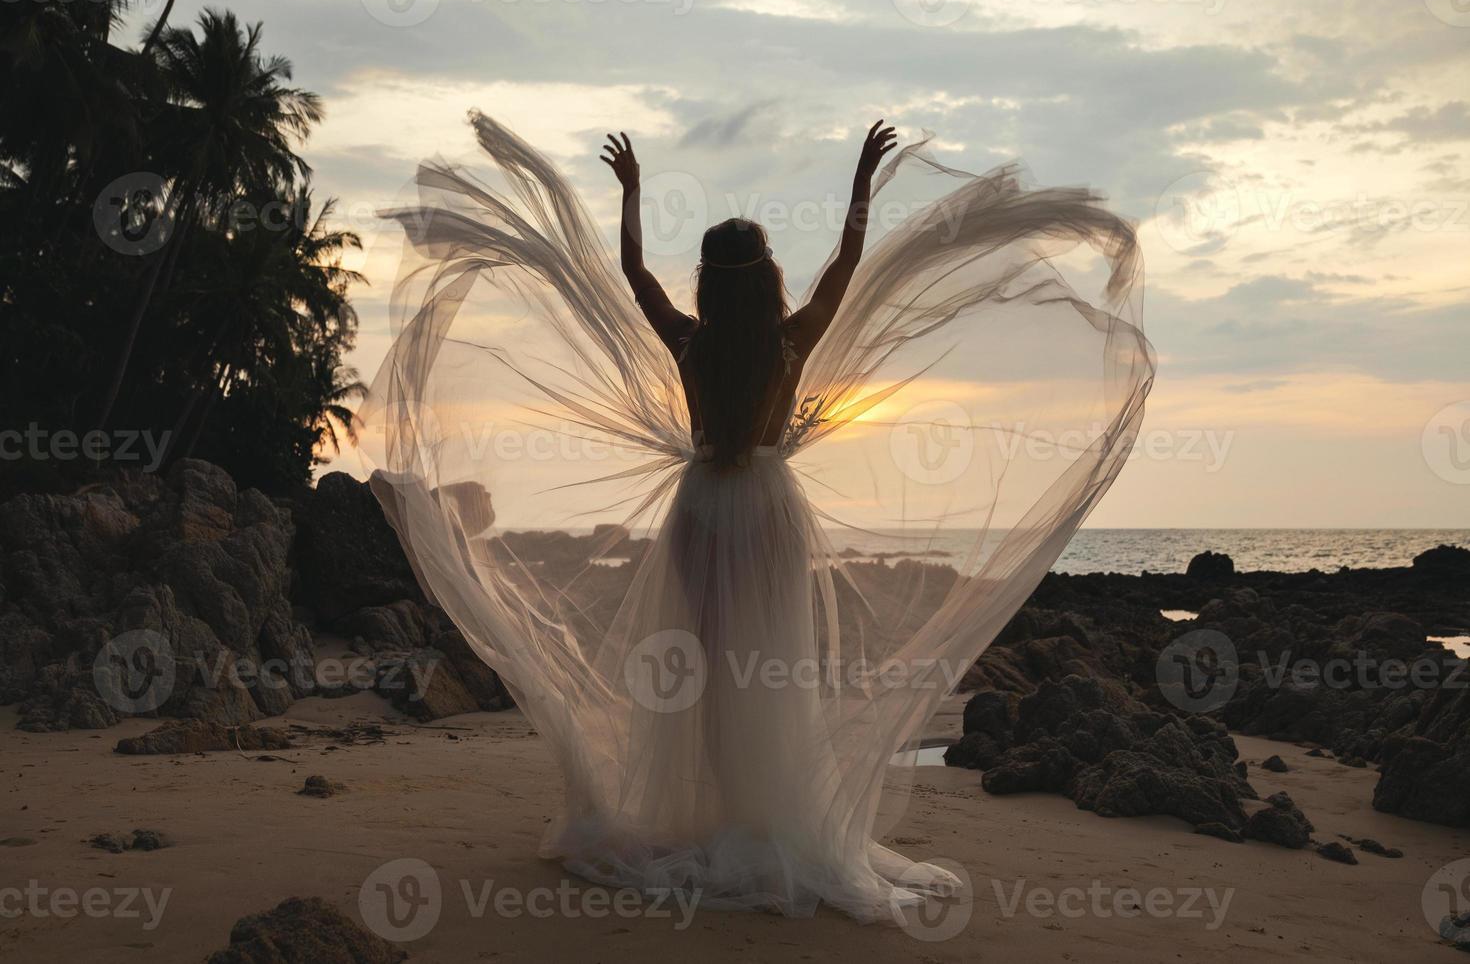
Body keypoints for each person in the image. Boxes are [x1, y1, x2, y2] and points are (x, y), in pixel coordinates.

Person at [361, 111, 1153, 922]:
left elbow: (632, 271)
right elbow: (848, 262)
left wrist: (631, 190)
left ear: (708, 279)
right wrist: (859, 182)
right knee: (773, 667)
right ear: (769, 275)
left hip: (703, 509)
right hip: (770, 514)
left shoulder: (690, 343)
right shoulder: (791, 342)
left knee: (704, 671)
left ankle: (719, 810)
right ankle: (767, 815)